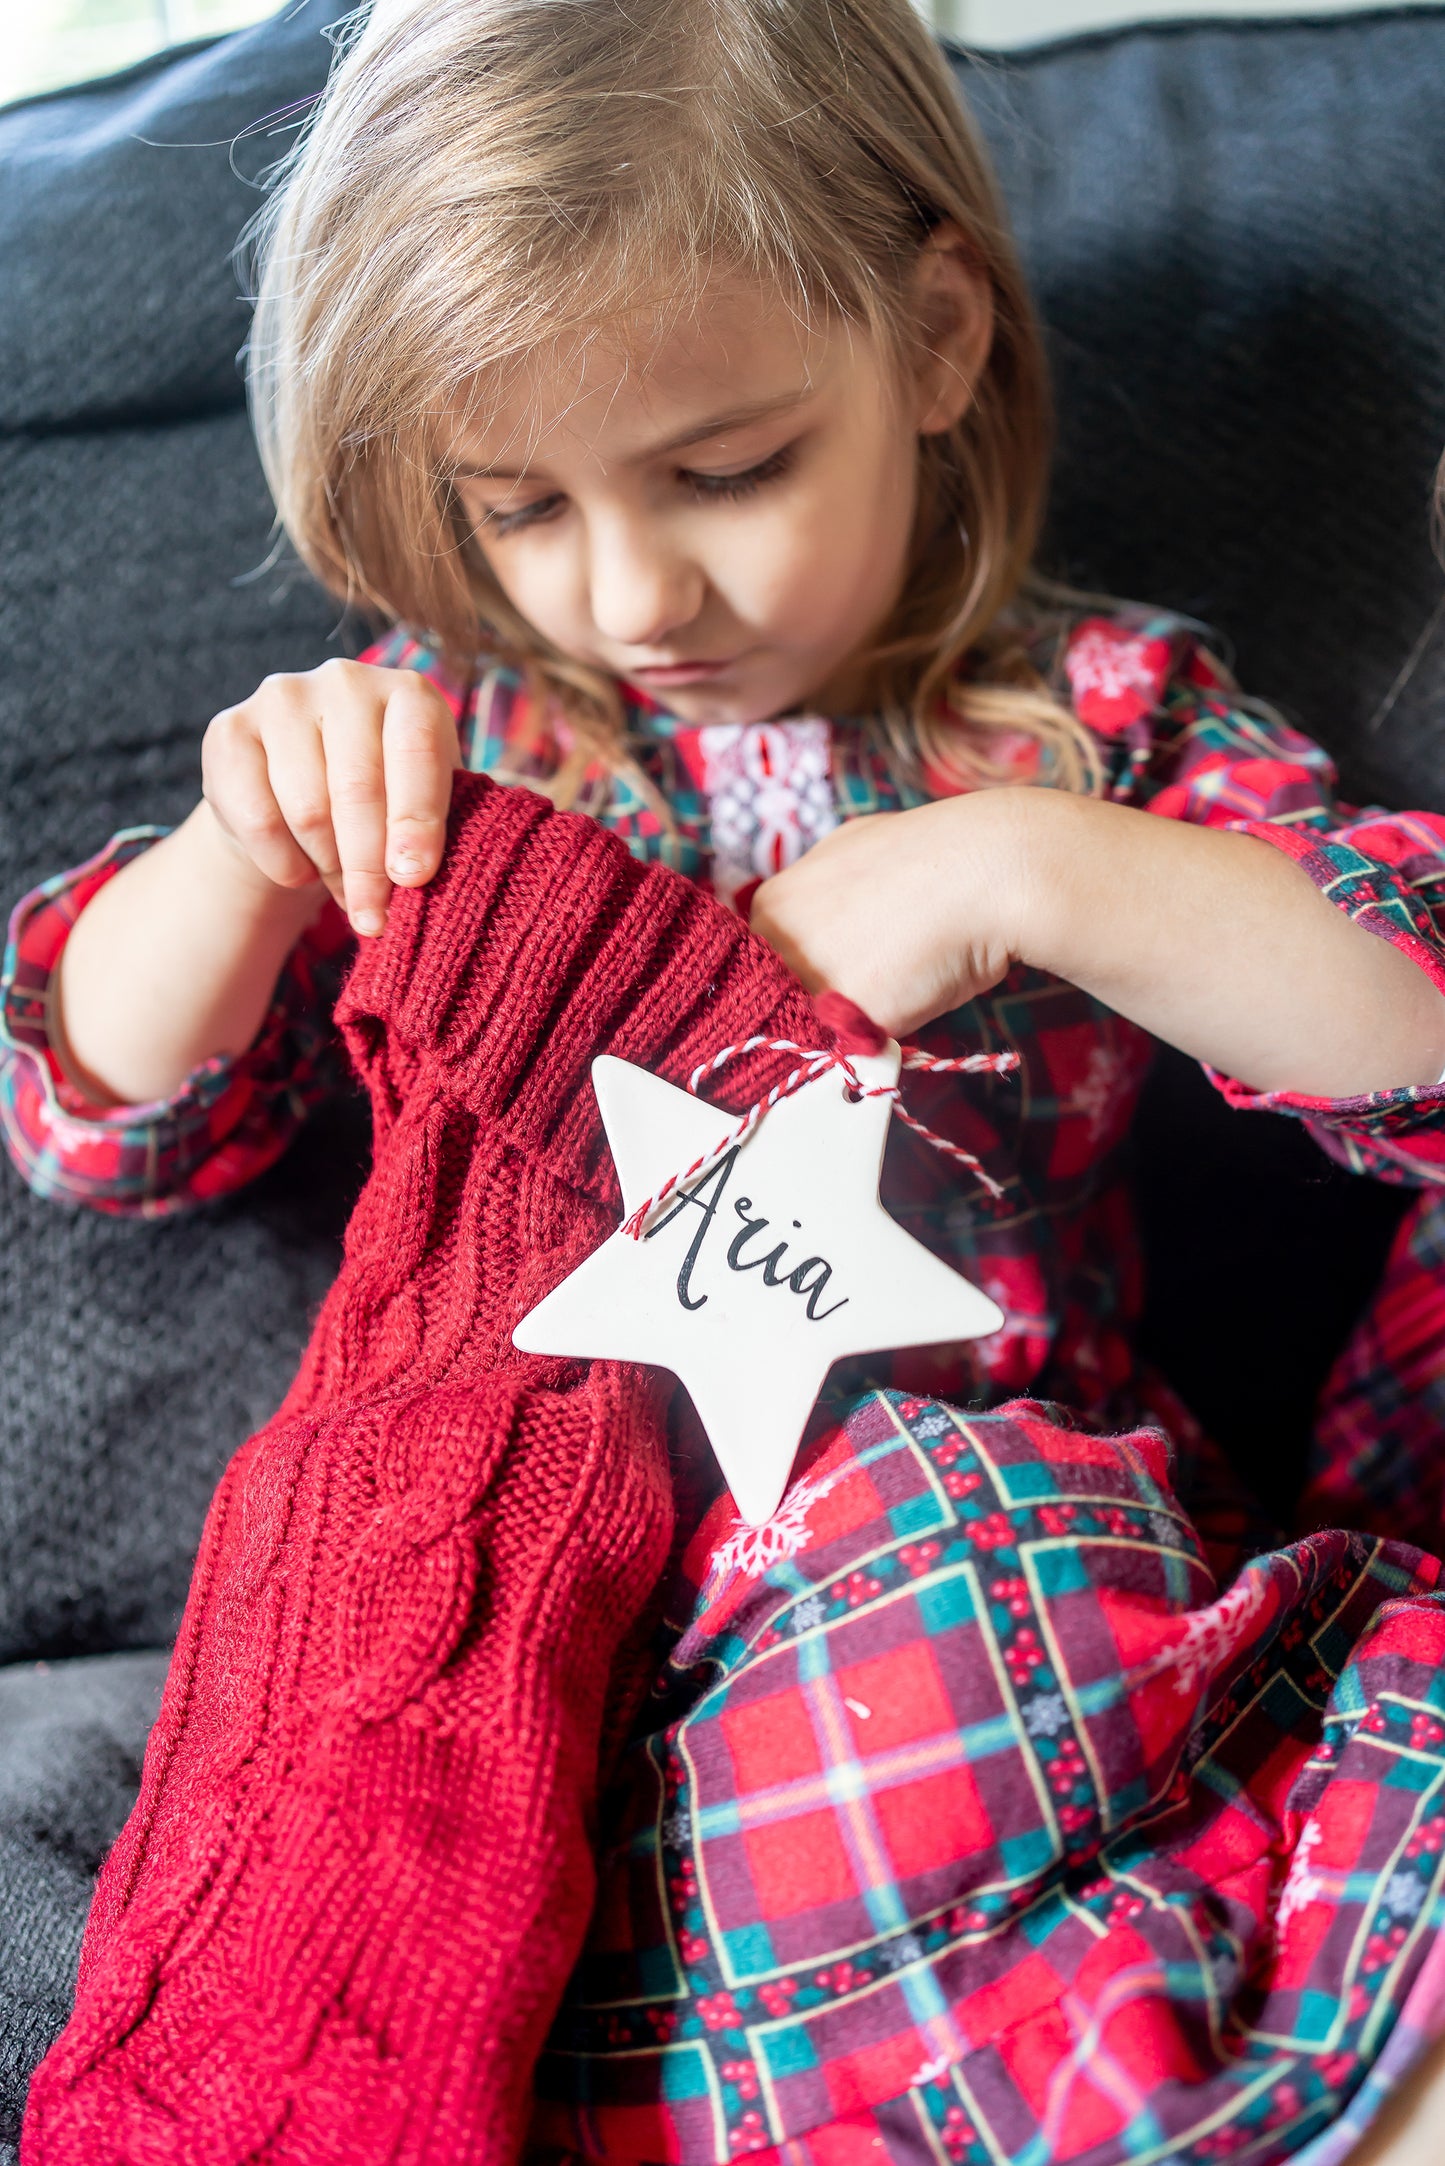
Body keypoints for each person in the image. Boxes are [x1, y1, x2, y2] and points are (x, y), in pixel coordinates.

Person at [6, 0, 1445, 2158]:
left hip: (998, 1578)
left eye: (727, 470)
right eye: (524, 507)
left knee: (971, 1557)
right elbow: (101, 1119)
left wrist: (1031, 868)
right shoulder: (456, 749)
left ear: (938, 336)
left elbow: (1416, 1035)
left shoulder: (1081, 728)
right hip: (538, 1602)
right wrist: (246, 847)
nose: (634, 588)